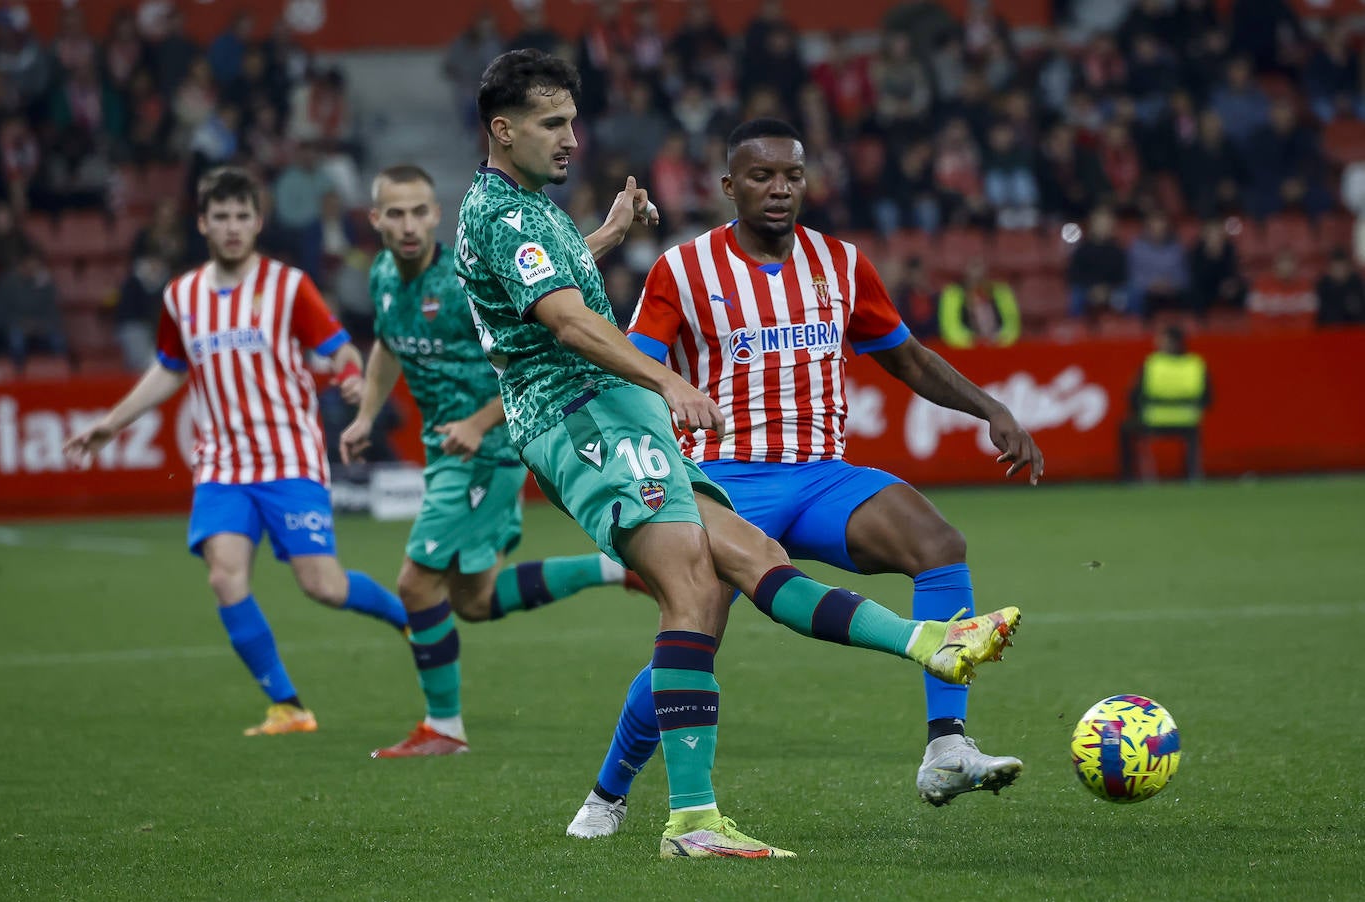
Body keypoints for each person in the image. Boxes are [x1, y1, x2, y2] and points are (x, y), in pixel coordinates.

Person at [457, 51, 1021, 860]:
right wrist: (671, 386)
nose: (573, 139)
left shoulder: (533, 210)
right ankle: (642, 802)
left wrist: (608, 233)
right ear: (503, 129)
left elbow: (546, 284)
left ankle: (931, 684)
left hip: (781, 459)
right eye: (554, 124)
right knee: (696, 604)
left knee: (775, 563)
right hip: (601, 424)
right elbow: (572, 325)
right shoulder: (652, 259)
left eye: (574, 121)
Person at [566, 117, 1043, 841]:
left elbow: (905, 357)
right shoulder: (683, 270)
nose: (780, 188)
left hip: (822, 476)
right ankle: (608, 794)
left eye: (792, 174)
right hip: (725, 480)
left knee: (938, 543)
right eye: (761, 176)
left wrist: (990, 408)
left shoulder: (841, 264)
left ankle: (946, 746)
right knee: (692, 633)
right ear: (729, 186)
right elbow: (635, 368)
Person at [63, 166, 408, 736]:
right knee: (225, 578)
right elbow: (170, 369)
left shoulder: (288, 286)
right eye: (219, 217)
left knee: (322, 585)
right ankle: (289, 706)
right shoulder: (183, 295)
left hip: (289, 459)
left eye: (241, 216)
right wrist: (109, 424)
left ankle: (408, 617)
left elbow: (340, 348)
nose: (231, 227)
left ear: (257, 221)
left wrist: (350, 378)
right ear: (203, 223)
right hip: (221, 466)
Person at [338, 163, 648, 758]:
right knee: (473, 602)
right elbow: (385, 343)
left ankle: (443, 729)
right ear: (375, 219)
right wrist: (364, 416)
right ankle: (616, 570)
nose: (407, 226)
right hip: (446, 450)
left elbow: (540, 301)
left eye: (418, 212)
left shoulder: (457, 280)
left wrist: (479, 423)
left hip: (489, 448)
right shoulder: (382, 276)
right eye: (394, 214)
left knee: (415, 583)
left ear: (436, 215)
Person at [1119, 325, 1210, 482]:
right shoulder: (1195, 364)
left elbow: (1134, 397)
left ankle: (1129, 478)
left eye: (1162, 339)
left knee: (1125, 428)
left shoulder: (1153, 363)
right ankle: (1191, 474)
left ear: (1172, 342)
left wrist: (1143, 409)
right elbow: (1207, 399)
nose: (1157, 342)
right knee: (1193, 435)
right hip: (1188, 422)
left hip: (1153, 421)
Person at [938, 255, 1021, 348]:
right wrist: (972, 341)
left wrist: (999, 340)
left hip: (998, 348)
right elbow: (951, 328)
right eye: (973, 267)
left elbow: (1012, 325)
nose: (977, 274)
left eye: (980, 267)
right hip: (966, 351)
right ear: (965, 271)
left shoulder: (1001, 292)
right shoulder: (953, 293)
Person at [1316, 246, 1365, 325]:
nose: (1339, 271)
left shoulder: (1356, 283)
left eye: (1342, 267)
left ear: (1349, 268)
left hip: (1354, 331)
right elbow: (1323, 316)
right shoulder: (1323, 285)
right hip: (1329, 332)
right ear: (1329, 269)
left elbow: (1360, 312)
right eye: (1336, 268)